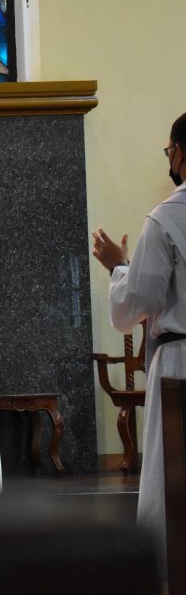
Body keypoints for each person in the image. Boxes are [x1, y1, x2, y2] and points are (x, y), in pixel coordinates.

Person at [92, 111, 186, 555]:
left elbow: (133, 306)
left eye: (169, 151)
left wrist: (118, 267)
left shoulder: (167, 218)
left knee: (176, 477)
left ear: (180, 153)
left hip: (181, 365)